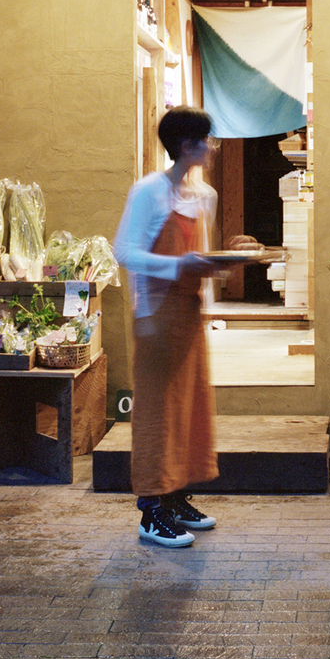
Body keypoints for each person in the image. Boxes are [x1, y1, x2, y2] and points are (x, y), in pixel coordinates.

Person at [113, 106, 250, 548]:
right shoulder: (148, 191)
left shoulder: (203, 195)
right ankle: (151, 512)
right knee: (155, 411)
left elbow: (200, 259)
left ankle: (175, 496)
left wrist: (230, 257)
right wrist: (180, 265)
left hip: (189, 314)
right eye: (207, 140)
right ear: (186, 145)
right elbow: (125, 253)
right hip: (155, 314)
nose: (213, 147)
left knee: (187, 409)